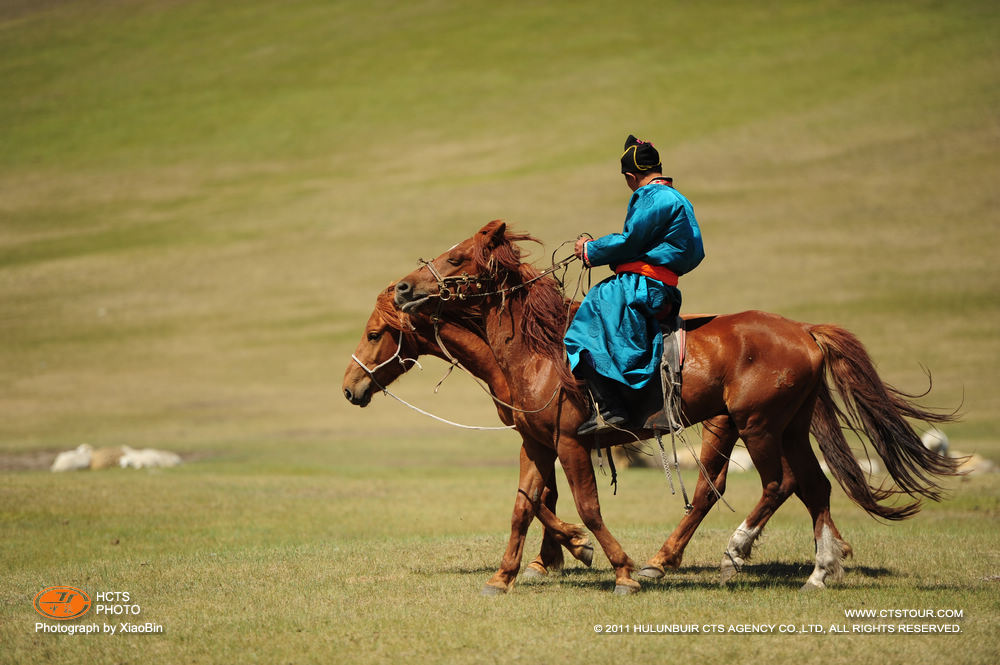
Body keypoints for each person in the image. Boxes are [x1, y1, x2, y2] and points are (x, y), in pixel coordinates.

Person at [565, 134, 705, 435]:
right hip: (663, 285)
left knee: (583, 321)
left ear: (631, 176)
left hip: (644, 286)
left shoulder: (652, 198)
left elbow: (630, 240)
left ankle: (610, 408)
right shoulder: (678, 198)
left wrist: (590, 249)